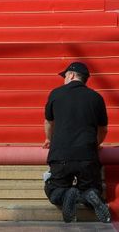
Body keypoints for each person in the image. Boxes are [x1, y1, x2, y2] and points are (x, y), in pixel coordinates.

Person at [42, 62, 111, 223]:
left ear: (71, 75)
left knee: (53, 189)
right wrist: (95, 143)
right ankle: (89, 194)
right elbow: (104, 129)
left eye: (65, 76)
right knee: (92, 188)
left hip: (61, 155)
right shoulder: (96, 97)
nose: (64, 79)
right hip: (87, 155)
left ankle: (66, 194)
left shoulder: (55, 94)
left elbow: (48, 122)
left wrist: (49, 139)